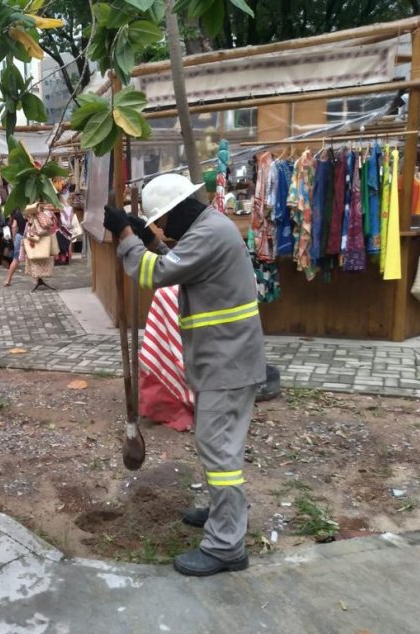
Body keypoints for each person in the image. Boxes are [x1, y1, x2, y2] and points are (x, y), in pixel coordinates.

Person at [102, 173, 265, 577]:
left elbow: (153, 274)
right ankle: (224, 513)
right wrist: (150, 240)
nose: (162, 228)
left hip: (228, 364)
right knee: (219, 446)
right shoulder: (211, 227)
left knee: (219, 450)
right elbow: (179, 263)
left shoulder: (209, 234)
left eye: (161, 221)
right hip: (227, 359)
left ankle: (226, 546)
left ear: (176, 211)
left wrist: (126, 236)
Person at [22, 203, 57, 291]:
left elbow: (39, 231)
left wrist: (32, 237)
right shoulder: (41, 216)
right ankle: (39, 279)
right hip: (43, 242)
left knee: (36, 261)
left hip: (38, 242)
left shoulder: (34, 218)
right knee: (40, 260)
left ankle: (39, 279)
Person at [3, 208, 27, 287]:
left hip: (19, 236)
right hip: (30, 236)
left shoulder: (17, 212)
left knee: (16, 259)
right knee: (32, 258)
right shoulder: (31, 210)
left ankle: (8, 279)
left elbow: (14, 227)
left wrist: (14, 238)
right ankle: (38, 279)